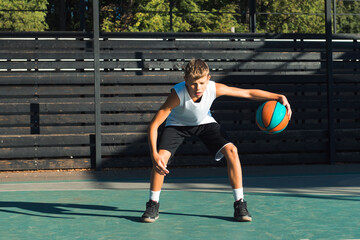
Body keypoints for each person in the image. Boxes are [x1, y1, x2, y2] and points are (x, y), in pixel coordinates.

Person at [141, 59, 292, 223]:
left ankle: (239, 203)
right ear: (185, 81)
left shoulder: (214, 88)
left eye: (202, 83)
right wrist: (154, 155)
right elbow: (154, 125)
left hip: (204, 123)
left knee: (232, 150)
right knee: (161, 159)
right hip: (177, 125)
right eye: (193, 84)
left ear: (208, 79)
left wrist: (278, 96)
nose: (198, 88)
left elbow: (247, 93)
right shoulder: (177, 95)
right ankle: (153, 204)